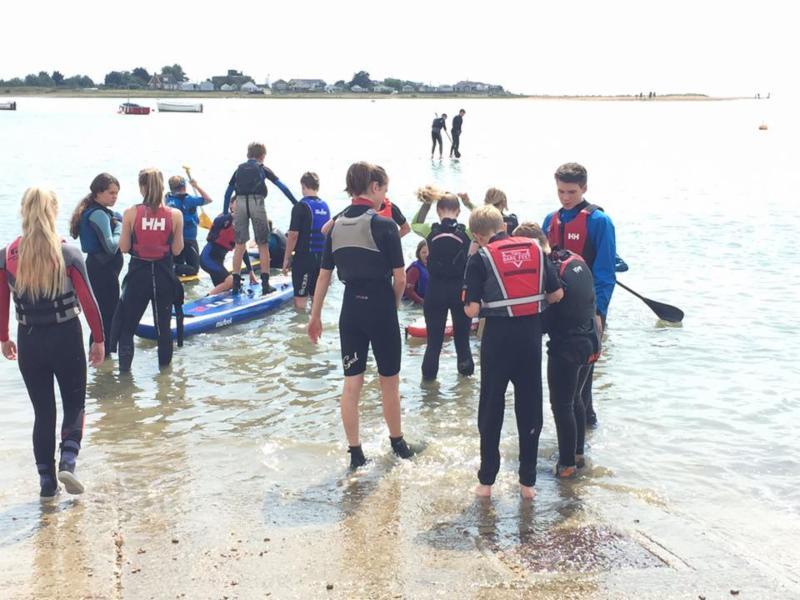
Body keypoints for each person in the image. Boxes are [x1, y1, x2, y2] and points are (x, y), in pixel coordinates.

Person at [307, 162, 419, 469]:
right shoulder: (384, 226)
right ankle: (398, 444)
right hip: (380, 306)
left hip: (350, 309)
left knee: (351, 382)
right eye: (384, 189)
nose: (385, 195)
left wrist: (314, 317)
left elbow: (323, 277)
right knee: (389, 382)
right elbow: (401, 279)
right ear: (373, 187)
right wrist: (393, 306)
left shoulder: (334, 226)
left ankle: (355, 453)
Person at [1, 187, 105, 498]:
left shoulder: (6, 256)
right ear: (54, 212)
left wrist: (3, 338)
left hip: (29, 342)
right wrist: (99, 340)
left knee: (43, 412)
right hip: (66, 338)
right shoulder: (68, 253)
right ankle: (68, 462)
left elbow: (0, 304)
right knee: (74, 404)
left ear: (23, 211)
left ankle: (47, 481)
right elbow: (89, 301)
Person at [463, 205, 563, 498]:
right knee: (530, 406)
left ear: (479, 236)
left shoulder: (480, 257)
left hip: (497, 338)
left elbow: (471, 308)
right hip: (530, 336)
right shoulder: (535, 249)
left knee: (491, 406)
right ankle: (528, 484)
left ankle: (486, 482)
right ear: (504, 225)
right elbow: (557, 294)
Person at [513, 222, 600, 478]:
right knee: (576, 401)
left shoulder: (549, 269)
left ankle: (566, 466)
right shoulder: (573, 258)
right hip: (592, 341)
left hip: (567, 347)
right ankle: (578, 454)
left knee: (561, 405)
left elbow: (545, 316)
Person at [542, 162, 616, 427]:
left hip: (588, 311)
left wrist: (600, 313)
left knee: (583, 385)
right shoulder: (550, 221)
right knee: (565, 385)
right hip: (559, 311)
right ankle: (577, 442)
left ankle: (585, 439)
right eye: (561, 191)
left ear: (584, 188)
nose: (565, 197)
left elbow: (606, 272)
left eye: (571, 192)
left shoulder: (599, 222)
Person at [115, 168, 184, 372]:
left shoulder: (130, 213)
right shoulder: (175, 214)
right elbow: (177, 249)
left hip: (139, 275)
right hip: (163, 276)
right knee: (163, 329)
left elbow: (124, 247)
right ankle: (165, 381)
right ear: (162, 186)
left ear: (141, 187)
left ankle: (125, 379)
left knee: (127, 328)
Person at [411, 186, 475, 379]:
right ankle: (465, 388)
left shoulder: (430, 230)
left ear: (438, 211)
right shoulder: (468, 232)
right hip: (460, 291)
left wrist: (426, 203)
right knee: (463, 341)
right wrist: (469, 203)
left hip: (435, 291)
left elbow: (414, 224)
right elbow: (485, 219)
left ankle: (428, 389)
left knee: (434, 343)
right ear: (458, 211)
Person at [223, 142, 297, 295]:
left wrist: (225, 213)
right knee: (262, 244)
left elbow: (227, 192)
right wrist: (295, 203)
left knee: (239, 245)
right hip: (257, 202)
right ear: (262, 156)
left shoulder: (239, 170)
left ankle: (236, 285)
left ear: (247, 154)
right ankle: (265, 285)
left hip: (241, 203)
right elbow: (282, 186)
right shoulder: (263, 168)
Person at [69, 173, 123, 357]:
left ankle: (100, 360)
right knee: (107, 316)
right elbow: (110, 246)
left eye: (117, 193)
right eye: (111, 193)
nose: (114, 197)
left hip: (99, 269)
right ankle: (102, 357)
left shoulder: (99, 210)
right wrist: (120, 228)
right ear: (98, 193)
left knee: (105, 316)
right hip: (102, 271)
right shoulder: (99, 213)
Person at [283, 172, 331, 310]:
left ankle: (299, 330)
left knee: (300, 302)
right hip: (321, 259)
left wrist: (286, 258)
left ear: (303, 186)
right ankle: (316, 329)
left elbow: (293, 235)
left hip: (304, 259)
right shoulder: (325, 206)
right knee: (316, 301)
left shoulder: (300, 206)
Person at [200, 197, 257, 295]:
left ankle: (213, 299)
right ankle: (206, 299)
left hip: (218, 262)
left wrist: (251, 272)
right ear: (231, 205)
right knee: (231, 281)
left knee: (231, 285)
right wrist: (231, 217)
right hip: (208, 258)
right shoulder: (223, 219)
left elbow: (242, 251)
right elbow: (216, 223)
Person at [165, 175, 212, 277]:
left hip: (173, 240)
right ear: (184, 186)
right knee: (194, 269)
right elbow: (208, 199)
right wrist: (196, 186)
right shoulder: (190, 200)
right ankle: (171, 267)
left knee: (179, 262)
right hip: (189, 239)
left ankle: (172, 266)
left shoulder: (167, 199)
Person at [403, 240, 428, 305]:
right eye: (424, 252)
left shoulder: (434, 268)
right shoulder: (415, 269)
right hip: (411, 304)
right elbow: (408, 291)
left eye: (429, 252)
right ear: (418, 253)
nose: (427, 255)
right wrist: (423, 302)